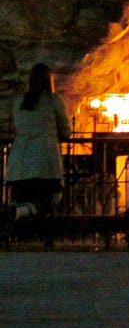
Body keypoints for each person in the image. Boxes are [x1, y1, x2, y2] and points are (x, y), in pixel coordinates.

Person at [4, 63, 72, 227]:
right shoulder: (53, 101)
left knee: (21, 196)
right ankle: (25, 215)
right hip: (44, 161)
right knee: (47, 199)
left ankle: (17, 218)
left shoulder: (19, 101)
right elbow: (65, 130)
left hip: (19, 161)